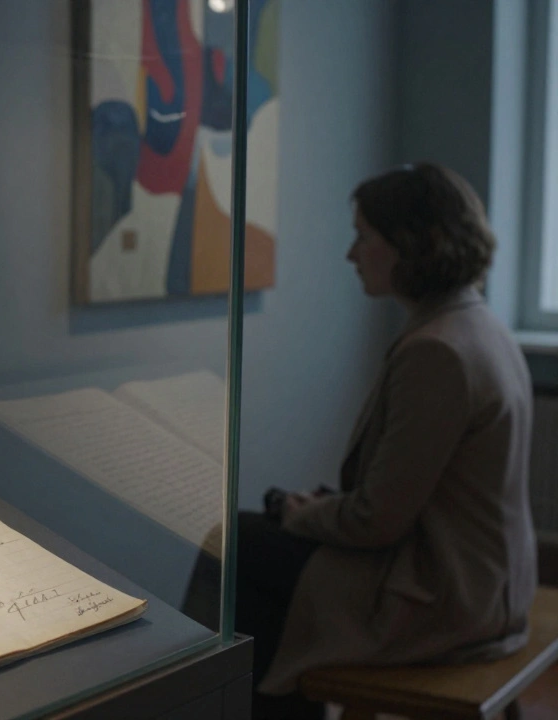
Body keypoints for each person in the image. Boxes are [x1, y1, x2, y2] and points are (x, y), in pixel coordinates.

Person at [190, 162, 537, 719]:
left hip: (446, 597)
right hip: (488, 583)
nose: (352, 254)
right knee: (248, 543)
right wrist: (319, 510)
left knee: (229, 548)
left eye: (363, 236)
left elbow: (377, 522)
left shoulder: (437, 351)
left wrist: (305, 514)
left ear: (413, 243)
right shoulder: (479, 325)